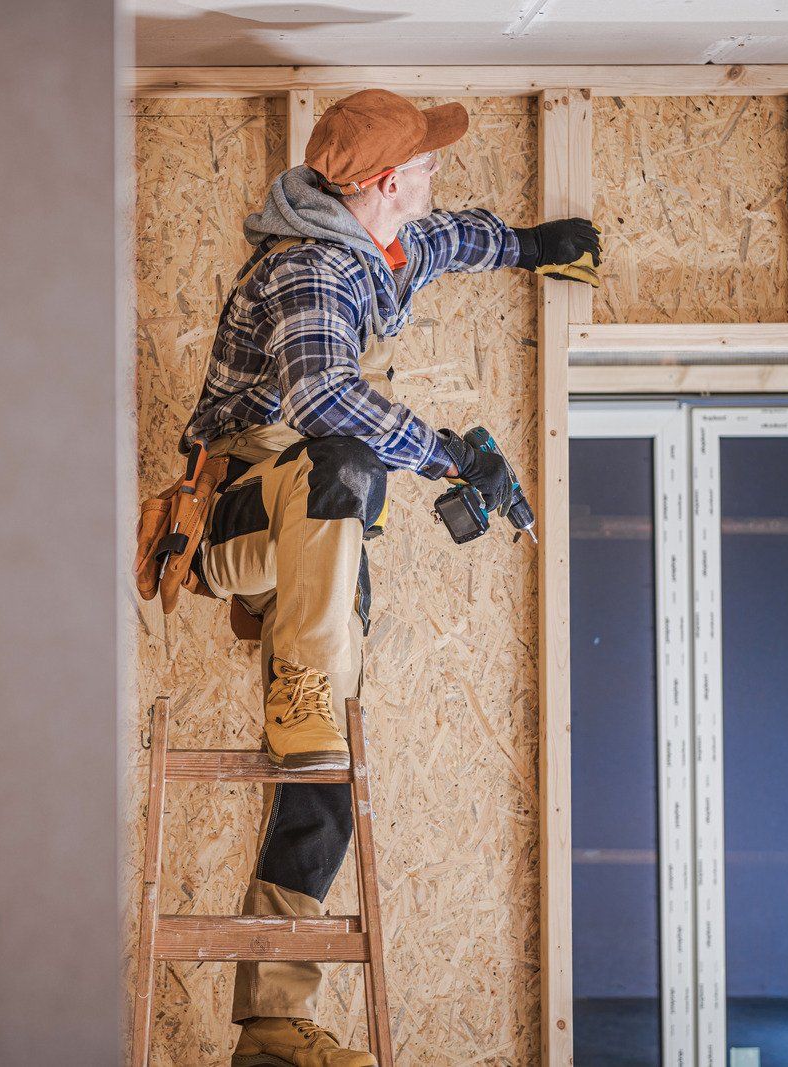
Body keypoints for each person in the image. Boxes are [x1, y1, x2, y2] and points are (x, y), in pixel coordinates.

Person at [180, 88, 601, 1066]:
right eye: (425, 164)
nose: (436, 174)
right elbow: (321, 391)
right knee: (342, 460)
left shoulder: (384, 244)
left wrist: (538, 247)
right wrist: (447, 457)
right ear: (383, 180)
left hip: (317, 535)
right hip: (238, 517)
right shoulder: (308, 267)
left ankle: (271, 1026)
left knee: (319, 780)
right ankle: (302, 690)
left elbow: (451, 239)